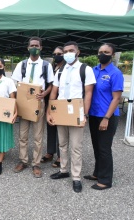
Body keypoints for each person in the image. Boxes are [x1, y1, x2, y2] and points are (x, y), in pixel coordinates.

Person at [47, 41, 96, 193]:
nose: (67, 53)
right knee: (62, 144)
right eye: (65, 51)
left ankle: (76, 177)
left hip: (76, 112)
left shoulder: (85, 69)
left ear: (78, 52)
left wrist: (85, 115)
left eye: (71, 50)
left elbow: (88, 94)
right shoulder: (60, 71)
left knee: (76, 147)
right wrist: (50, 112)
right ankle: (63, 170)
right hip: (61, 111)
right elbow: (54, 92)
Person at [11, 37, 54, 178]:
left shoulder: (46, 65)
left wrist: (44, 95)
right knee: (22, 135)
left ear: (41, 48)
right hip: (24, 103)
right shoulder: (21, 65)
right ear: (28, 48)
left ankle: (36, 164)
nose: (34, 47)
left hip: (38, 103)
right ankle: (23, 160)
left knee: (38, 136)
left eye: (37, 45)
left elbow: (51, 85)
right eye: (32, 45)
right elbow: (15, 83)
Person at [86, 43, 123, 190]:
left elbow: (116, 98)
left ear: (112, 55)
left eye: (106, 52)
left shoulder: (115, 73)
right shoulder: (94, 70)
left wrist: (106, 118)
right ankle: (97, 172)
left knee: (104, 148)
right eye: (100, 51)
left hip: (107, 116)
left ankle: (106, 180)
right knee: (96, 146)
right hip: (94, 114)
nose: (102, 54)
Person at [41, 46, 65, 168]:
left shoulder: (67, 68)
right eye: (54, 54)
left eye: (59, 53)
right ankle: (50, 152)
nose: (56, 56)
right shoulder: (51, 67)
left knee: (61, 129)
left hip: (61, 102)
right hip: (49, 100)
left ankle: (61, 156)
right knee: (51, 126)